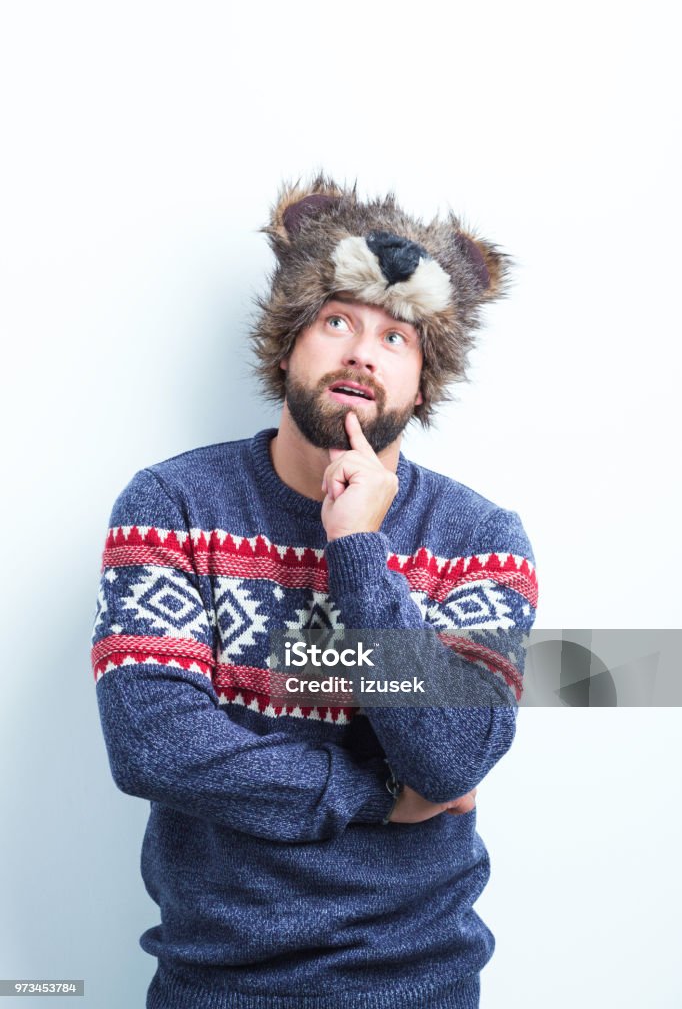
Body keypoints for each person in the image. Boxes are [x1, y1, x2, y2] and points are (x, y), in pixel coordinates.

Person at [92, 172, 538, 1009]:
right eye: (337, 321)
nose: (363, 352)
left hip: (419, 982)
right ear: (289, 342)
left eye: (397, 338)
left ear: (422, 381)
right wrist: (369, 793)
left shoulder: (481, 539)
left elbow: (448, 759)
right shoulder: (173, 507)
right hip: (214, 984)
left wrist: (360, 550)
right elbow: (153, 743)